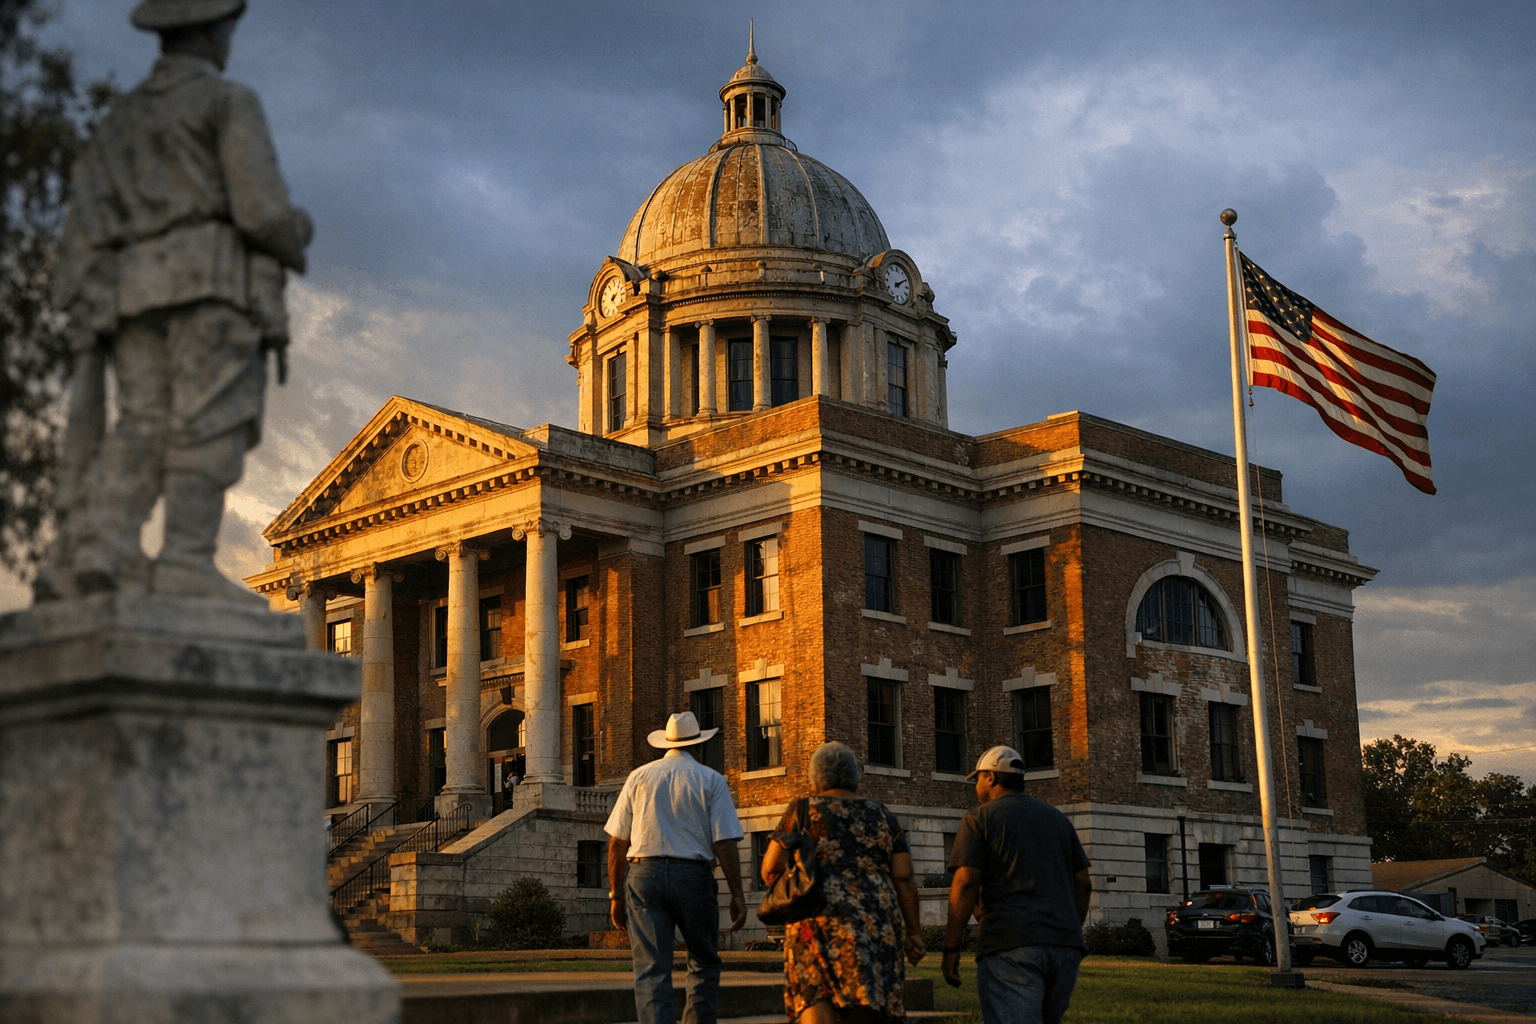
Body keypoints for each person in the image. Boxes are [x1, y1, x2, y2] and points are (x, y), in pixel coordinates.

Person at [35, 0, 312, 604]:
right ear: (214, 33)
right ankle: (185, 558)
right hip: (207, 281)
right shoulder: (225, 101)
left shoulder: (121, 120)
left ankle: (105, 545)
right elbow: (260, 211)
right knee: (208, 420)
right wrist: (298, 231)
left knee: (142, 420)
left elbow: (84, 219)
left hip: (132, 290)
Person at [761, 741, 926, 1024]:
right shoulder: (882, 814)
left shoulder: (801, 810)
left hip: (815, 922)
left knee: (816, 999)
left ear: (815, 777)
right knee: (870, 1004)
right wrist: (913, 932)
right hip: (875, 922)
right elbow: (904, 875)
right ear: (854, 776)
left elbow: (770, 869)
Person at [605, 711, 747, 1024]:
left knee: (652, 968)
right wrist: (737, 894)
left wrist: (615, 894)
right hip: (694, 875)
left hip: (644, 875)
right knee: (703, 960)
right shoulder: (711, 780)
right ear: (698, 745)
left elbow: (617, 843)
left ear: (666, 743)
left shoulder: (638, 777)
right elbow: (724, 844)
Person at [941, 746, 1092, 1024]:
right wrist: (1067, 930)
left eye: (977, 779)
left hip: (1009, 943)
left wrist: (951, 948)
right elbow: (1083, 884)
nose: (976, 786)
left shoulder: (979, 818)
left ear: (990, 777)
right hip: (1064, 948)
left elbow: (965, 883)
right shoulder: (1059, 821)